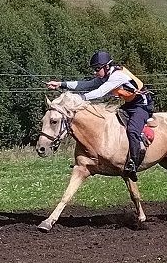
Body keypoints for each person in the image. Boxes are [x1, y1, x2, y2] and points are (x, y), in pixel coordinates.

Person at [46, 50, 153, 181]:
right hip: (129, 105)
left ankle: (133, 164)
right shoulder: (105, 75)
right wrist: (61, 84)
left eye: (97, 69)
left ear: (106, 66)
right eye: (94, 69)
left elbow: (100, 92)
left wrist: (78, 99)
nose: (95, 72)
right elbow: (86, 85)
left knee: (132, 131)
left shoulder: (117, 76)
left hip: (142, 105)